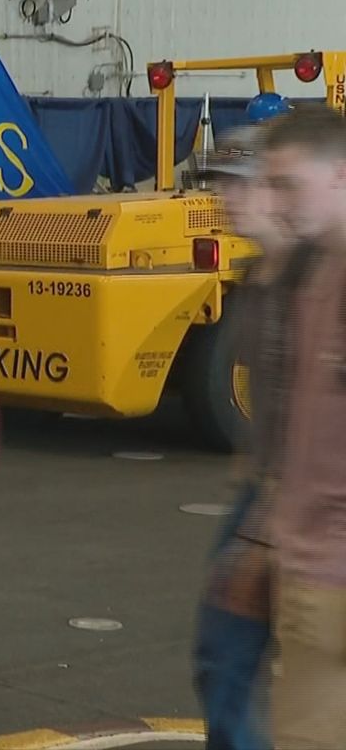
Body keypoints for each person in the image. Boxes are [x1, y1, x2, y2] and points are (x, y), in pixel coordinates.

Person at [190, 125, 293, 750]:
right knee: (222, 658)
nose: (224, 197)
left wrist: (261, 531)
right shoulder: (259, 281)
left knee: (229, 660)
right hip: (266, 495)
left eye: (239, 184)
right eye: (220, 184)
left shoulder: (314, 286)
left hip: (297, 505)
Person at [258, 106, 346, 749]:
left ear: (340, 174)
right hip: (309, 571)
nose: (276, 204)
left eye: (288, 185)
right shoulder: (316, 276)